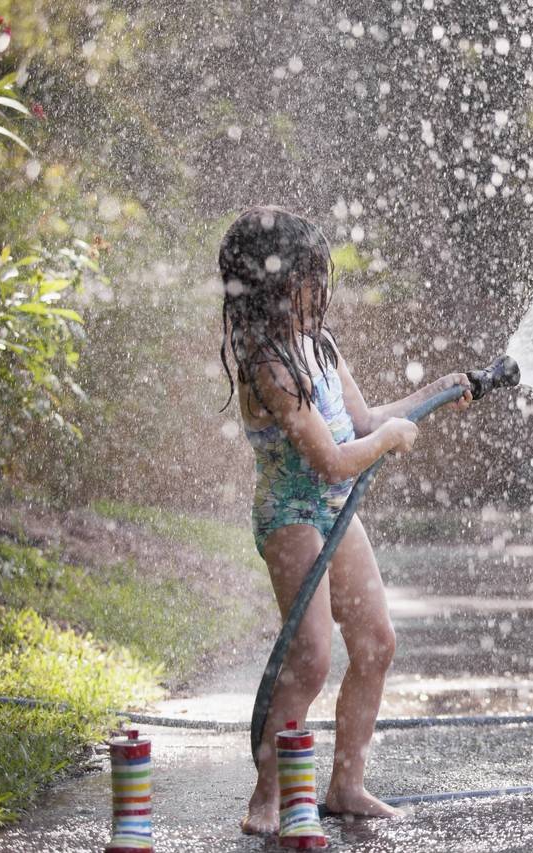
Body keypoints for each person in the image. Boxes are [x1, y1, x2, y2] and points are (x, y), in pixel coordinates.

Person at [217, 207, 473, 833]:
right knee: (308, 658)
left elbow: (361, 421)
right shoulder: (270, 367)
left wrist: (436, 389)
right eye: (306, 277)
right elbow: (332, 460)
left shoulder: (319, 347)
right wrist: (387, 440)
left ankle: (347, 785)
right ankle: (267, 795)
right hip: (293, 515)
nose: (318, 290)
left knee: (377, 643)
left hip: (335, 510)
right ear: (273, 287)